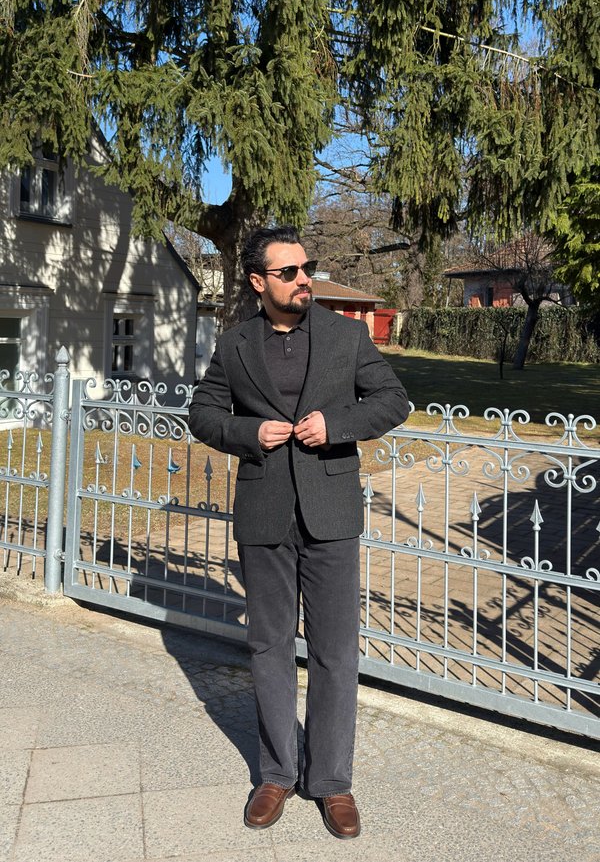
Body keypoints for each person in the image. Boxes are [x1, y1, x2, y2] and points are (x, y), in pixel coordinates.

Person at [188, 225, 409, 839]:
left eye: (306, 267)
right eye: (289, 272)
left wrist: (336, 425)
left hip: (330, 512)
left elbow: (392, 400)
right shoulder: (234, 344)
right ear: (259, 282)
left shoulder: (346, 335)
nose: (304, 279)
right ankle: (277, 773)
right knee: (269, 646)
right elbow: (203, 412)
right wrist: (246, 433)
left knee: (335, 651)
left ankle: (332, 781)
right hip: (264, 512)